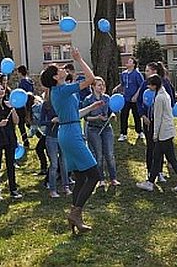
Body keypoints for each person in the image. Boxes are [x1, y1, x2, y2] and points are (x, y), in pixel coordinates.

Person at [40, 47, 103, 234]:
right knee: (94, 176)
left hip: (67, 130)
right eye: (58, 69)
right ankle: (76, 214)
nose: (62, 69)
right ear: (55, 78)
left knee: (81, 177)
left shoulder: (59, 91)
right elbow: (91, 79)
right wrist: (79, 58)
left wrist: (92, 106)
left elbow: (73, 114)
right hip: (72, 135)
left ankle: (76, 219)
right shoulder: (62, 90)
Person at [136, 75, 177, 193]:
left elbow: (158, 118)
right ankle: (150, 182)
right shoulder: (164, 94)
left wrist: (155, 135)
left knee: (171, 159)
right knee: (156, 158)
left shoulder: (159, 98)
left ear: (154, 86)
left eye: (150, 84)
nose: (148, 86)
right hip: (166, 131)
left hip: (163, 133)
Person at [83, 77, 120, 188]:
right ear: (93, 87)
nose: (101, 87)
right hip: (93, 129)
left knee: (109, 154)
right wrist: (97, 118)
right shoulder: (88, 100)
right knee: (98, 155)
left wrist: (112, 115)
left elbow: (110, 111)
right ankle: (101, 179)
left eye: (102, 85)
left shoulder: (107, 98)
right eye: (99, 85)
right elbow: (85, 118)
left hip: (106, 128)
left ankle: (113, 178)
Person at [137, 62, 169, 182]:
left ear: (154, 71)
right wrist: (142, 115)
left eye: (148, 71)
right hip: (148, 121)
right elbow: (140, 101)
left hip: (160, 122)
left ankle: (159, 171)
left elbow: (170, 101)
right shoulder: (145, 84)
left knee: (160, 147)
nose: (146, 73)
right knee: (150, 146)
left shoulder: (164, 84)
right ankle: (150, 172)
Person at [39, 90, 71, 198]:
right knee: (54, 164)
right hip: (51, 136)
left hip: (63, 135)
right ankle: (52, 189)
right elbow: (41, 121)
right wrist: (52, 121)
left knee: (64, 162)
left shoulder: (64, 103)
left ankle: (66, 186)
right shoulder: (46, 105)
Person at [115, 57, 144, 142]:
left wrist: (136, 96)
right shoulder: (124, 74)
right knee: (124, 116)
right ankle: (123, 134)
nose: (128, 62)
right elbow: (122, 84)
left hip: (134, 99)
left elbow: (141, 86)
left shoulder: (137, 74)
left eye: (130, 61)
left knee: (136, 115)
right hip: (126, 98)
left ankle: (139, 132)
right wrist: (117, 88)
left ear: (134, 64)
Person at [16, 65, 33, 148]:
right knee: (29, 123)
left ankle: (26, 142)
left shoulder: (23, 82)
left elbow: (22, 94)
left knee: (21, 125)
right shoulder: (29, 80)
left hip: (23, 106)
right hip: (30, 104)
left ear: (20, 72)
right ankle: (40, 135)